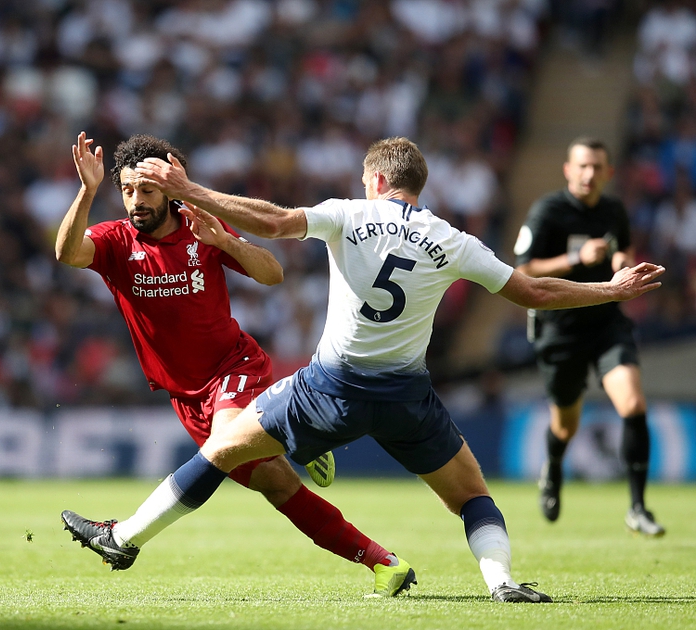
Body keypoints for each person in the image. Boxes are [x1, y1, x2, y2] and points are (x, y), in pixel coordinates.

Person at [61, 136, 665, 603]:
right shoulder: (452, 240)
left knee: (221, 452)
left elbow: (272, 225)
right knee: (472, 496)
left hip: (326, 388)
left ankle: (123, 539)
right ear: (417, 186)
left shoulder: (349, 214)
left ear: (375, 180)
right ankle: (502, 582)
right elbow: (532, 292)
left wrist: (191, 192)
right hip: (407, 397)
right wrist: (609, 291)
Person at [56, 132, 413, 597]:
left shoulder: (200, 226)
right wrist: (86, 190)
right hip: (186, 397)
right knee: (280, 488)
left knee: (224, 446)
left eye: (146, 190)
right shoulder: (116, 241)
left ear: (169, 188)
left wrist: (227, 241)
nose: (135, 201)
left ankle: (123, 538)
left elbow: (273, 273)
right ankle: (386, 563)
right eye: (126, 191)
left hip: (234, 367)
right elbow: (66, 254)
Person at [514, 137, 666, 537]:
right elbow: (523, 270)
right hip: (559, 330)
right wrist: (576, 259)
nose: (589, 174)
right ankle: (554, 466)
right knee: (565, 424)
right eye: (582, 166)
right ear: (568, 170)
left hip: (606, 324)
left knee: (633, 403)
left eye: (597, 167)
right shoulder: (548, 211)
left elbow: (624, 252)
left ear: (609, 173)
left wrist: (623, 263)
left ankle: (637, 506)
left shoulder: (614, 210)